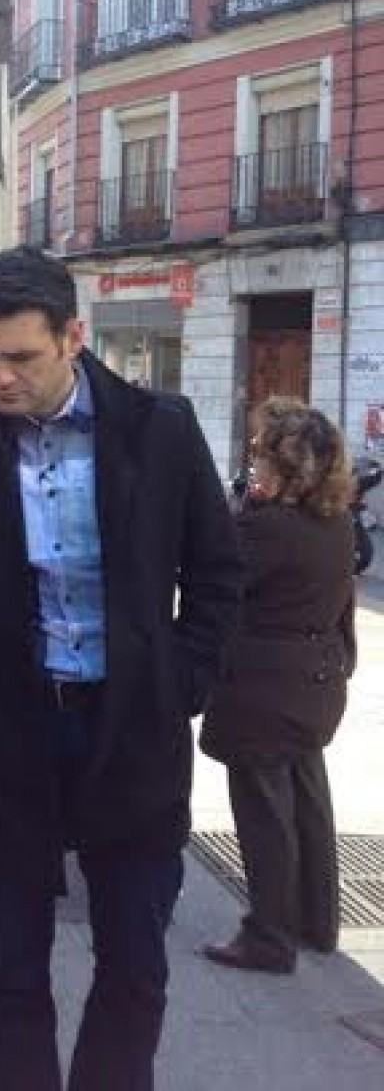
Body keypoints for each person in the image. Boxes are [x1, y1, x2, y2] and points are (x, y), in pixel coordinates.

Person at [0, 245, 242, 1091]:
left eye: (20, 357)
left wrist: (180, 682)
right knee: (9, 973)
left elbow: (219, 573)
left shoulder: (162, 430)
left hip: (135, 736)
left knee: (135, 968)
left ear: (73, 336)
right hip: (11, 737)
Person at [201, 398, 356, 974]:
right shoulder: (336, 520)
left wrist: (243, 508)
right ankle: (318, 923)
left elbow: (220, 573)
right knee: (309, 801)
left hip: (263, 687)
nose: (255, 461)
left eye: (264, 454)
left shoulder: (267, 526)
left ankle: (269, 938)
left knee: (265, 811)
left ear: (287, 468)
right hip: (316, 679)